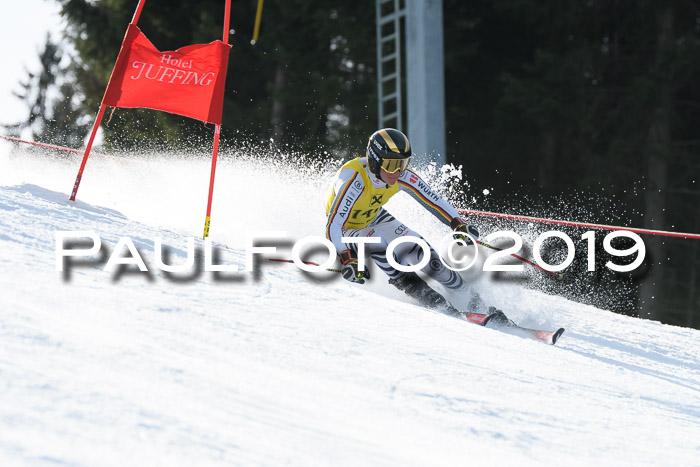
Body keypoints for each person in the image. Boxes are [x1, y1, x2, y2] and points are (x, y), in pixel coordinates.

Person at [325, 128, 497, 319]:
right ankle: (428, 296)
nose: (397, 172)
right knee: (378, 243)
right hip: (346, 228)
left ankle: (475, 302)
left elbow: (432, 200)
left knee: (422, 252)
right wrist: (347, 258)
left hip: (374, 216)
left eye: (403, 163)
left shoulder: (401, 175)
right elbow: (333, 224)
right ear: (375, 160)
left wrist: (458, 224)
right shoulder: (354, 178)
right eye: (391, 165)